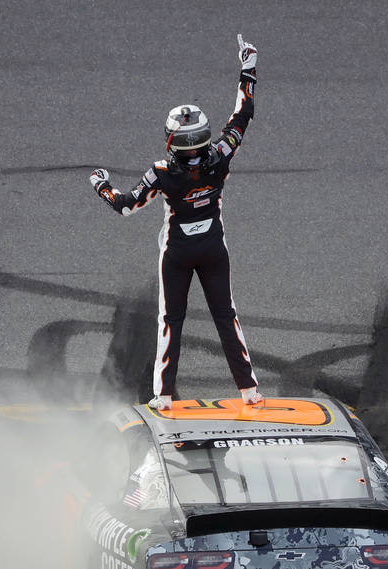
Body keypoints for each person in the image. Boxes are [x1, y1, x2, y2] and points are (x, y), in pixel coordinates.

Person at [89, 34, 263, 411]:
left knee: (170, 321)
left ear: (172, 142)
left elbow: (124, 206)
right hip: (215, 248)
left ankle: (163, 397)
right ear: (203, 138)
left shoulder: (161, 173)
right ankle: (249, 390)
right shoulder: (221, 155)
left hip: (178, 253)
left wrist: (101, 184)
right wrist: (247, 66)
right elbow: (243, 116)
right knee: (226, 315)